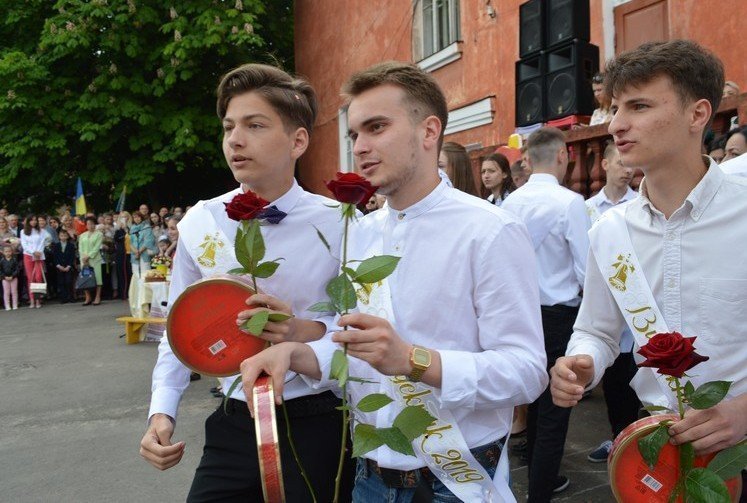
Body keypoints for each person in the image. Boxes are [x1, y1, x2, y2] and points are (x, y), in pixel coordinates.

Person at [237, 61, 547, 502]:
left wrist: (413, 360)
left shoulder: (490, 231)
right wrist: (294, 353)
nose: (360, 147)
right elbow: (357, 355)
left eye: (376, 127)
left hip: (454, 480)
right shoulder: (359, 234)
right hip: (370, 479)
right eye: (354, 134)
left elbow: (527, 371)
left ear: (428, 131)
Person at [140, 63, 350, 502]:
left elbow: (364, 329)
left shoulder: (341, 224)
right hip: (233, 420)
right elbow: (179, 328)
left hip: (320, 422)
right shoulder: (201, 222)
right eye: (229, 126)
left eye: (255, 125)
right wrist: (162, 412)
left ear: (298, 141)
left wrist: (299, 332)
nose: (235, 139)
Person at [549, 41, 747, 497]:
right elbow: (597, 331)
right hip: (656, 452)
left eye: (639, 106)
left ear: (697, 114)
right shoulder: (609, 231)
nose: (616, 124)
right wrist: (583, 361)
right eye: (616, 107)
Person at [502, 126, 591, 501]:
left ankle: (538, 472)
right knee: (556, 406)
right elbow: (587, 269)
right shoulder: (570, 203)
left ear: (527, 160)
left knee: (534, 392)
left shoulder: (510, 203)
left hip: (519, 311)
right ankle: (540, 489)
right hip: (557, 315)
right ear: (562, 155)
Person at [583, 142, 641, 463]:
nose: (627, 170)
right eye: (620, 163)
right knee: (614, 383)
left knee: (637, 383)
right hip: (603, 307)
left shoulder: (641, 205)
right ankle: (618, 442)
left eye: (630, 164)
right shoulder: (587, 209)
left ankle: (635, 443)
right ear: (604, 164)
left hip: (637, 312)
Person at [20, 215, 46, 309]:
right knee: (30, 278)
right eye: (32, 220)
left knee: (38, 277)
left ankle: (38, 299)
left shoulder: (41, 231)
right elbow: (24, 244)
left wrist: (38, 252)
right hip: (28, 255)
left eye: (35, 220)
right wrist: (33, 252)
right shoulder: (23, 231)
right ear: (28, 221)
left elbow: (42, 243)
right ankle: (31, 300)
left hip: (39, 255)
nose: (34, 222)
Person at [78, 216, 104, 306]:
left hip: (95, 259)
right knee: (85, 278)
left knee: (98, 278)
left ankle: (97, 297)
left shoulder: (99, 234)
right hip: (84, 260)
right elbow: (80, 248)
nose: (90, 226)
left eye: (92, 224)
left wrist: (89, 256)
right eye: (88, 224)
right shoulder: (82, 235)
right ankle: (88, 297)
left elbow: (97, 248)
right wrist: (83, 257)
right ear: (86, 225)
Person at [53, 229, 76, 304]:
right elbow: (55, 257)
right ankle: (63, 298)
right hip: (59, 266)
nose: (63, 237)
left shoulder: (71, 245)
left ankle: (71, 297)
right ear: (59, 236)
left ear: (67, 236)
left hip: (68, 266)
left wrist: (68, 266)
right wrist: (58, 265)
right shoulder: (56, 245)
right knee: (61, 282)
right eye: (61, 236)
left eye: (65, 236)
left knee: (68, 281)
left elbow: (72, 256)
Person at [1, 244, 19, 310]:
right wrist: (4, 276)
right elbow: (0, 270)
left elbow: (17, 269)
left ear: (12, 252)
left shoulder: (14, 260)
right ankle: (7, 305)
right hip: (5, 279)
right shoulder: (2, 261)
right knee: (6, 292)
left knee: (14, 292)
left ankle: (15, 304)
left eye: (9, 251)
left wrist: (13, 276)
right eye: (6, 251)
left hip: (13, 278)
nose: (8, 253)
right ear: (3, 252)